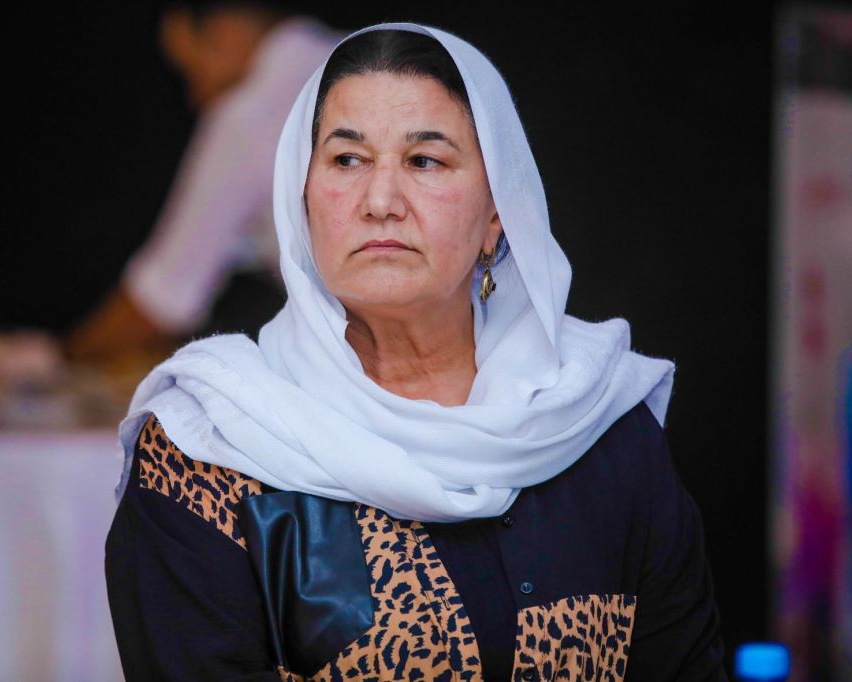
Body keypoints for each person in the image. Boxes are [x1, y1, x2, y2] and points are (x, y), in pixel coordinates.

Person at [105, 23, 728, 681]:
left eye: (425, 161)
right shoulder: (209, 452)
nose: (381, 202)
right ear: (301, 200)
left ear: (497, 214)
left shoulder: (597, 424)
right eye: (347, 160)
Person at [65, 2, 339, 362]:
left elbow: (163, 301)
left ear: (225, 31)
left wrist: (61, 359)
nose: (196, 97)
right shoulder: (366, 54)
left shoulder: (250, 114)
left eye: (191, 69)